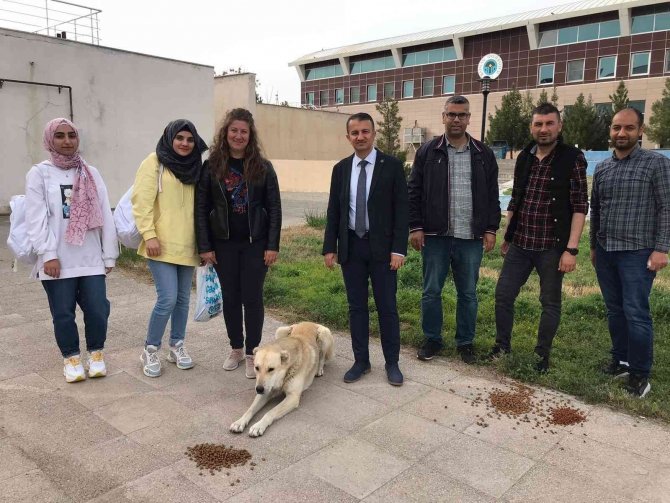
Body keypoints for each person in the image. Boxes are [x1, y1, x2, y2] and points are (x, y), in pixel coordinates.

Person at [490, 103, 588, 372]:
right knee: (503, 295)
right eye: (538, 124)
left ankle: (541, 355)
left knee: (550, 302)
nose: (543, 129)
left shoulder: (573, 158)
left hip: (552, 247)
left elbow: (580, 206)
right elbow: (515, 199)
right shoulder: (525, 156)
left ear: (560, 126)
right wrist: (507, 235)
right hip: (520, 242)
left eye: (549, 123)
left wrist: (572, 249)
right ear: (531, 127)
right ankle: (502, 346)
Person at [408, 95, 500, 364]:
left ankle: (465, 342)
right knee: (431, 291)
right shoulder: (427, 151)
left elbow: (492, 195)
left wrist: (491, 228)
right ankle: (432, 339)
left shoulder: (483, 154)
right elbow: (413, 192)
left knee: (468, 293)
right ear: (443, 117)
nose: (456, 119)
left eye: (461, 115)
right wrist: (415, 227)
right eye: (451, 114)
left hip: (470, 237)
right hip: (435, 236)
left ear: (469, 118)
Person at [25, 118, 118, 382]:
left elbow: (105, 214)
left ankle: (96, 353)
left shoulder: (90, 171)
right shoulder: (39, 173)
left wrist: (108, 253)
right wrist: (48, 254)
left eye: (72, 135)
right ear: (49, 140)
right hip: (59, 259)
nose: (67, 141)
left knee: (98, 307)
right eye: (60, 136)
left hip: (90, 256)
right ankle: (72, 358)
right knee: (63, 312)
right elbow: (36, 217)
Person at [322, 112, 409, 386]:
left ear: (374, 134)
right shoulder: (341, 169)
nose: (360, 137)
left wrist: (398, 249)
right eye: (355, 133)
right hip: (351, 247)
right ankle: (361, 361)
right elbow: (334, 211)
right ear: (348, 137)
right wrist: (329, 247)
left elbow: (401, 212)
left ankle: (392, 363)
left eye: (365, 132)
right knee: (356, 307)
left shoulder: (392, 166)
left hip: (383, 250)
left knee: (387, 307)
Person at [195, 108, 282, 379]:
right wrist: (205, 246)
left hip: (255, 244)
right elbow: (201, 207)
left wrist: (272, 245)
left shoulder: (263, 167)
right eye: (234, 130)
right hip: (223, 244)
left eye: (244, 131)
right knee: (231, 298)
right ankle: (235, 347)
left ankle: (252, 352)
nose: (238, 135)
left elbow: (275, 208)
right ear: (226, 133)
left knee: (252, 298)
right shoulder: (211, 166)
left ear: (250, 135)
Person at [590, 107, 670, 398]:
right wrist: (593, 247)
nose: (621, 133)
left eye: (628, 128)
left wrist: (662, 248)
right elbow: (596, 209)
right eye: (616, 128)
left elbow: (666, 208)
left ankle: (639, 373)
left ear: (640, 131)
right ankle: (621, 360)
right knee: (614, 310)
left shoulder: (656, 164)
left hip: (638, 253)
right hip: (606, 250)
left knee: (636, 312)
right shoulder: (602, 168)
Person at [133, 119, 208, 378]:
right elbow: (141, 202)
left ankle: (176, 345)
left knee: (184, 300)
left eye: (189, 139)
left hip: (188, 245)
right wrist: (149, 234)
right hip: (160, 245)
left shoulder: (197, 165)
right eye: (180, 138)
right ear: (170, 138)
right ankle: (150, 348)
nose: (185, 144)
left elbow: (200, 209)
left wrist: (203, 245)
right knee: (167, 298)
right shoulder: (154, 162)